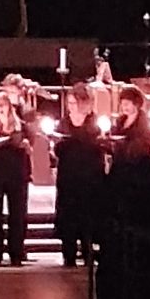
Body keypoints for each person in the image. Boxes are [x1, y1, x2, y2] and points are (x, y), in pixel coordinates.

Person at [54, 84, 103, 266]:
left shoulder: (94, 122)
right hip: (68, 175)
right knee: (69, 214)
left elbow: (99, 146)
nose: (71, 106)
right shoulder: (64, 122)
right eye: (69, 103)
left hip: (90, 175)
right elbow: (58, 150)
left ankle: (88, 251)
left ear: (84, 102)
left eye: (74, 102)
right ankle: (69, 253)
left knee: (88, 213)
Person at [0, 91, 33, 267]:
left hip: (17, 173)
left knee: (17, 214)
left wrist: (26, 145)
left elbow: (30, 146)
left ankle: (16, 253)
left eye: (3, 105)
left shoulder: (21, 126)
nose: (0, 110)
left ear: (10, 106)